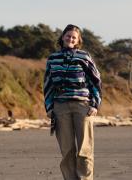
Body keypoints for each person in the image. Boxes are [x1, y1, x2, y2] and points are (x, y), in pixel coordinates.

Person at [43, 24, 102, 180]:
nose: (70, 39)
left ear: (78, 40)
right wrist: (49, 107)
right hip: (60, 107)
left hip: (82, 106)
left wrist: (95, 103)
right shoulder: (52, 58)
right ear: (62, 37)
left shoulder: (84, 57)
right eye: (68, 36)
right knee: (67, 150)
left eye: (74, 37)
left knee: (85, 149)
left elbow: (95, 81)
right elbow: (48, 84)